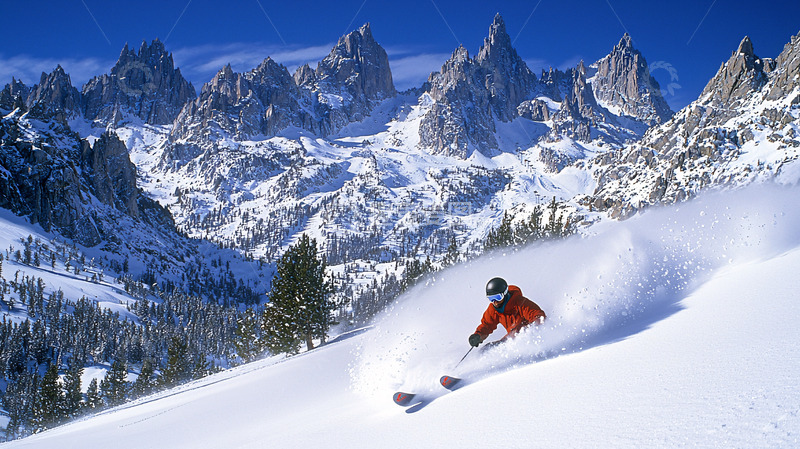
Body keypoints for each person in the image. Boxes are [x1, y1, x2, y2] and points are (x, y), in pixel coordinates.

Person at [469, 277, 546, 348]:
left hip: (527, 336)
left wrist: (532, 329)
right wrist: (478, 336)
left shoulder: (519, 302)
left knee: (516, 333)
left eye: (498, 297)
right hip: (512, 339)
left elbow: (537, 315)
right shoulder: (493, 309)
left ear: (505, 294)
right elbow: (487, 325)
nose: (495, 302)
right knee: (487, 348)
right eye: (491, 298)